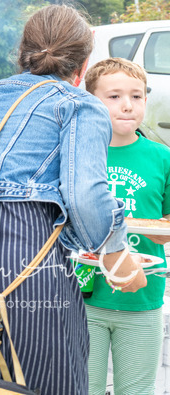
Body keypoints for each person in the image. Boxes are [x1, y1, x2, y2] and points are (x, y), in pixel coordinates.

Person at [0, 5, 146, 395]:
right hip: (20, 277)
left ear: (23, 53)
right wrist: (118, 258)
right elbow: (85, 197)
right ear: (83, 65)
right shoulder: (79, 105)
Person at [82, 58, 170, 395]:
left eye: (137, 96)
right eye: (114, 96)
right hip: (85, 297)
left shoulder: (162, 157)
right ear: (91, 102)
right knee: (80, 386)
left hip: (143, 297)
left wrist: (155, 228)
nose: (128, 105)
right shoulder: (79, 155)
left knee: (137, 390)